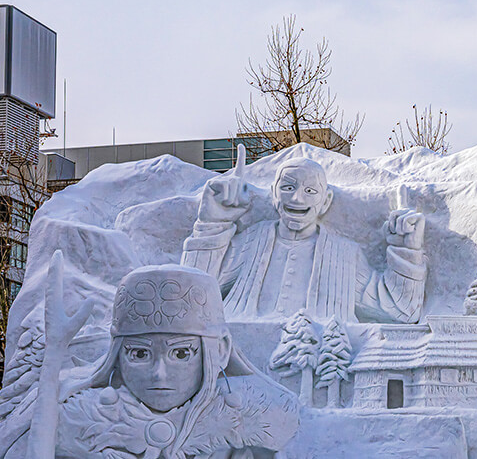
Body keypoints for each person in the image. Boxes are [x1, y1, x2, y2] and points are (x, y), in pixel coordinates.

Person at [2, 258, 299, 458]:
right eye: (140, 354)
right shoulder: (77, 418)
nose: (159, 373)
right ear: (117, 355)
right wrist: (53, 356)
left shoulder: (250, 420)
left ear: (219, 351)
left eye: (181, 353)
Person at [181, 147, 427, 323]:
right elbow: (191, 298)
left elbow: (399, 310)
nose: (297, 198)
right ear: (274, 194)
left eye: (310, 190)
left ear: (325, 200)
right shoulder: (251, 243)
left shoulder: (343, 255)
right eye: (288, 187)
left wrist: (406, 250)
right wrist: (212, 223)